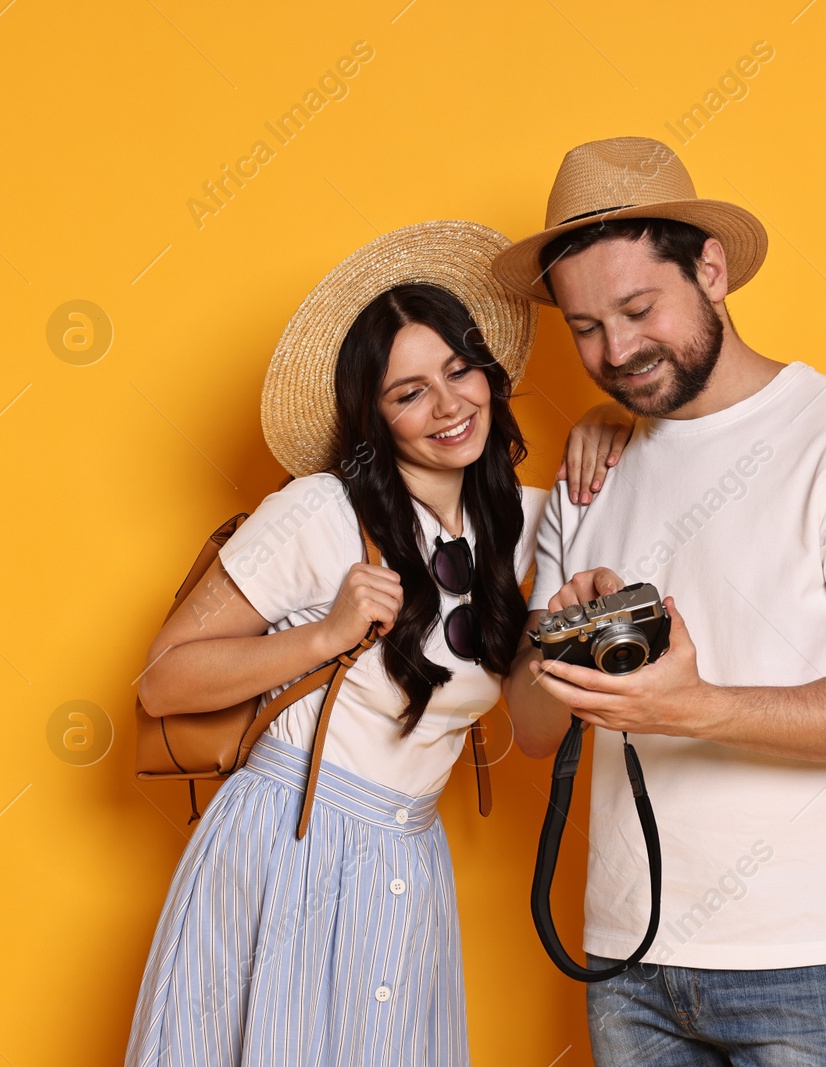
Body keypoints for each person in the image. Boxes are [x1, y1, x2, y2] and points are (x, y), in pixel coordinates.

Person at [494, 136, 826, 1066]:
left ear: (710, 270)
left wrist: (690, 707)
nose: (616, 350)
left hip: (814, 956)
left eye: (638, 307)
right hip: (630, 959)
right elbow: (532, 725)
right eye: (585, 327)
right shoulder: (593, 472)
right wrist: (564, 641)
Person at [126, 219, 551, 1067]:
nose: (447, 405)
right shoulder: (321, 511)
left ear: (491, 375)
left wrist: (612, 426)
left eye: (459, 371)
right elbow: (161, 683)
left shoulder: (533, 522)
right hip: (289, 841)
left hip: (409, 860)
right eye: (408, 393)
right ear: (377, 415)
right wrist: (326, 634)